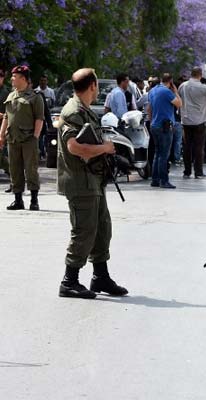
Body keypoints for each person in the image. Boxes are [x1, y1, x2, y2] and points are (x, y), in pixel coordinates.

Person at [56, 68, 128, 299]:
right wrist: (105, 148)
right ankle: (69, 281)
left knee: (101, 229)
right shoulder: (73, 111)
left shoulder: (85, 110)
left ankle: (100, 276)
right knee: (84, 231)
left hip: (93, 180)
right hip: (79, 181)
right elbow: (74, 147)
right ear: (93, 86)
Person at [0, 65, 44, 211]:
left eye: (14, 77)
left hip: (28, 139)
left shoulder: (35, 97)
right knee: (15, 169)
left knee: (31, 169)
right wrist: (1, 135)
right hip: (12, 138)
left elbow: (39, 118)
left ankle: (34, 200)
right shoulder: (11, 96)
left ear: (23, 79)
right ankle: (18, 200)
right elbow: (6, 117)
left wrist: (35, 137)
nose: (12, 79)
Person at [177, 67, 206, 179]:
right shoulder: (203, 88)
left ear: (191, 74)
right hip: (199, 122)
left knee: (187, 147)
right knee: (199, 148)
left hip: (186, 121)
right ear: (200, 75)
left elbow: (178, 98)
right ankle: (198, 172)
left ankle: (187, 172)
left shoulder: (182, 86)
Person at [147, 73, 182, 189]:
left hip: (154, 125)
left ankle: (155, 179)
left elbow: (149, 108)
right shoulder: (167, 92)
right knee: (164, 155)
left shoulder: (152, 91)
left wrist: (152, 121)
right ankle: (164, 180)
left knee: (157, 153)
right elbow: (179, 104)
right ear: (170, 81)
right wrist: (175, 91)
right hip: (165, 126)